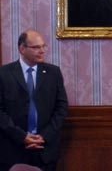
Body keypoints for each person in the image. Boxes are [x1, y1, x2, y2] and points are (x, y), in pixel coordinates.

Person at [0, 29, 69, 171]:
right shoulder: (4, 74)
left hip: (45, 149)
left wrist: (43, 136)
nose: (42, 51)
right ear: (22, 48)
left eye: (43, 46)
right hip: (14, 148)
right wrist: (22, 136)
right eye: (36, 47)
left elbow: (61, 108)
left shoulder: (53, 73)